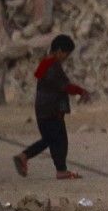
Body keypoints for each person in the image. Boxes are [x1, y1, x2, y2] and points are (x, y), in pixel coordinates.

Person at [13, 34, 91, 179]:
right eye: (66, 54)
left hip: (45, 109)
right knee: (53, 140)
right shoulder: (52, 66)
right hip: (50, 110)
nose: (66, 57)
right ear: (59, 51)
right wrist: (81, 91)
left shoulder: (46, 63)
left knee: (56, 139)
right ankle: (24, 156)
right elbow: (65, 86)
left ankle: (60, 170)